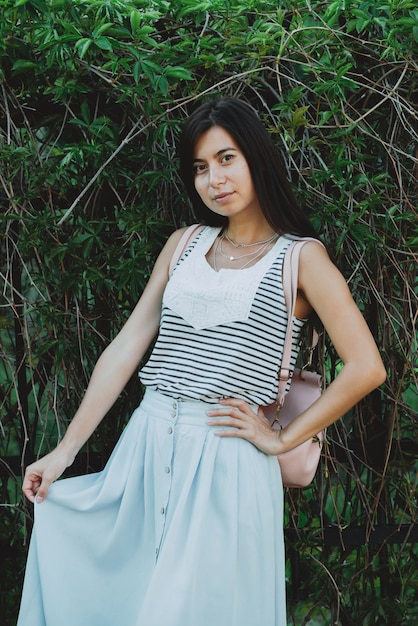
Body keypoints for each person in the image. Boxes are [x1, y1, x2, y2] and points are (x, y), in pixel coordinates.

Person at [18, 97, 386, 626]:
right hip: (145, 450)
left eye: (226, 158)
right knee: (120, 597)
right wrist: (64, 452)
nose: (214, 178)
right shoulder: (183, 244)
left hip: (226, 462)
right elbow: (126, 348)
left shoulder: (302, 258)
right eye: (200, 167)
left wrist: (281, 439)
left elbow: (366, 366)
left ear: (256, 158)